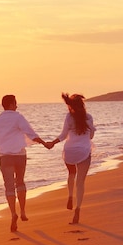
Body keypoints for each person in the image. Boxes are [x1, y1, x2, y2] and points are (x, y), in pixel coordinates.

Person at [0, 94, 49, 232]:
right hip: (19, 155)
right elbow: (30, 132)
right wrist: (44, 143)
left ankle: (13, 214)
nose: (17, 106)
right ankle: (22, 212)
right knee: (20, 182)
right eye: (15, 103)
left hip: (5, 157)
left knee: (9, 186)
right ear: (10, 104)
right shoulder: (18, 117)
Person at [48, 93, 96, 224]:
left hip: (70, 151)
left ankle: (70, 195)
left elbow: (63, 135)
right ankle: (78, 209)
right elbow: (91, 136)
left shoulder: (69, 117)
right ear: (83, 105)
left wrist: (53, 142)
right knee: (80, 182)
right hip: (84, 151)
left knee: (71, 174)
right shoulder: (89, 118)